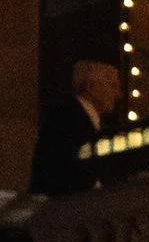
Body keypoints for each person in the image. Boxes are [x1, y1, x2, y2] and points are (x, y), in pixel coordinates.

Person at [26, 57, 121, 195]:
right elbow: (75, 170)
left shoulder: (68, 115)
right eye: (113, 86)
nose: (118, 94)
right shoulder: (69, 118)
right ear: (91, 87)